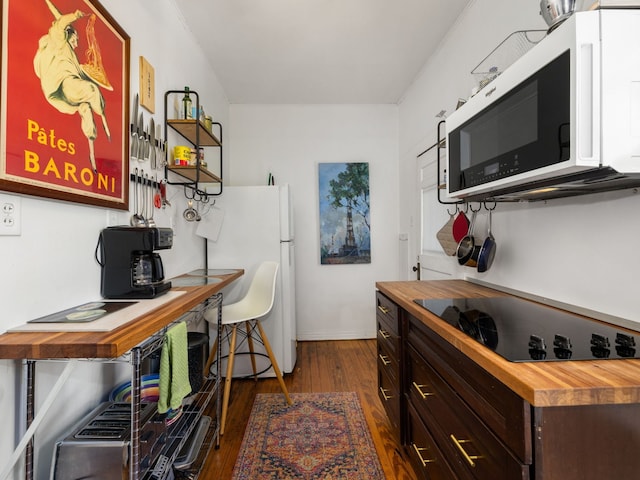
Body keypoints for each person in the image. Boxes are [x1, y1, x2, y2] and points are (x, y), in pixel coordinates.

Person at [34, 0, 110, 172]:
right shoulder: (60, 42)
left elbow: (86, 75)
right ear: (68, 36)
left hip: (63, 96)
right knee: (91, 90)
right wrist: (75, 16)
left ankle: (92, 155)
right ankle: (104, 120)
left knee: (85, 108)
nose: (77, 44)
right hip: (63, 85)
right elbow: (60, 23)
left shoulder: (73, 59)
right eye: (75, 39)